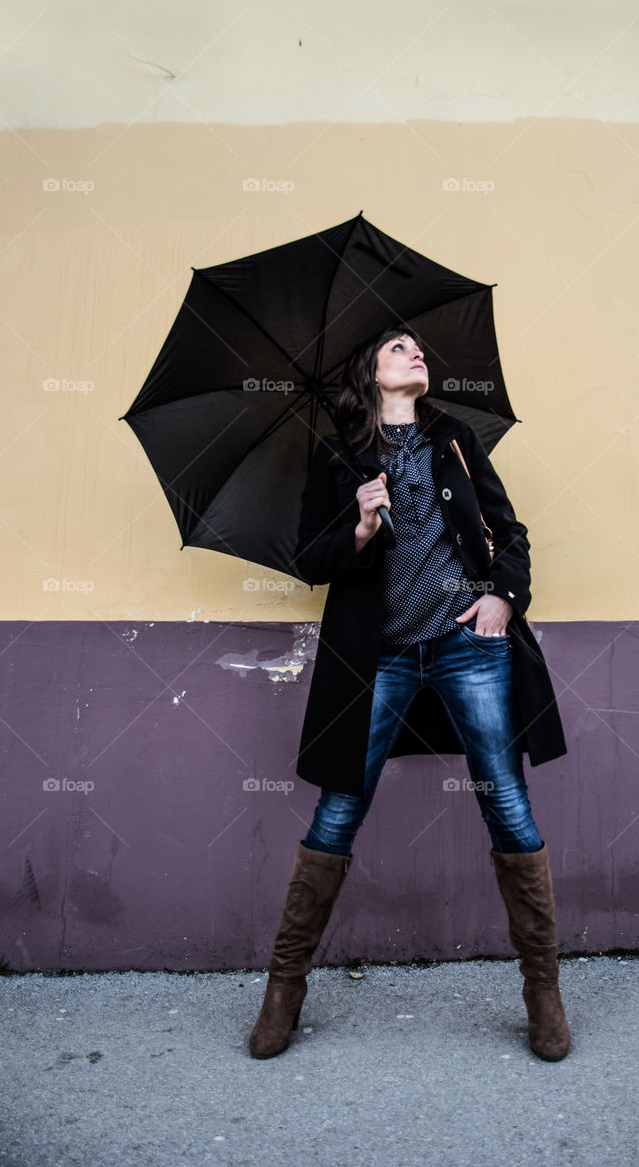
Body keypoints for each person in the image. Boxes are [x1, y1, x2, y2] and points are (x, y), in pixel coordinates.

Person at [248, 326, 570, 1062]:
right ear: (370, 373)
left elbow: (507, 532)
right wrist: (359, 527)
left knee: (505, 801)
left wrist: (502, 600)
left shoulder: (453, 438)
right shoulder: (337, 455)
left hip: (467, 649)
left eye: (421, 347)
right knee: (339, 808)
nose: (416, 353)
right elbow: (311, 558)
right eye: (398, 348)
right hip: (378, 658)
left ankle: (543, 990)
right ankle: (283, 988)